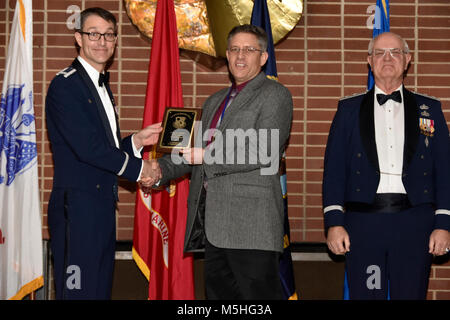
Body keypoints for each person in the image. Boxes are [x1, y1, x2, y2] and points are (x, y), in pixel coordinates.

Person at [152, 24, 293, 299]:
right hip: (214, 228)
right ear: (227, 56)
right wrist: (158, 170)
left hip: (253, 229)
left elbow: (264, 149)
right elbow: (191, 151)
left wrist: (206, 155)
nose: (240, 56)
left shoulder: (275, 95)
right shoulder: (215, 100)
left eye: (249, 50)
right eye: (234, 49)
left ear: (263, 58)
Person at [323, 32, 450, 299]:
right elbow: (334, 170)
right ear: (369, 61)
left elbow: (444, 172)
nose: (387, 58)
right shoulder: (348, 110)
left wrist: (444, 223)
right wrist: (334, 222)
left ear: (407, 60)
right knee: (368, 295)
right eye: (380, 53)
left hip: (415, 223)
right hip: (363, 223)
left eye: (395, 52)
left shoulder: (431, 109)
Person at [45, 7, 161, 299]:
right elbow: (87, 149)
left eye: (109, 35)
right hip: (77, 210)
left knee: (97, 293)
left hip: (100, 209)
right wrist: (141, 170)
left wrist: (135, 140)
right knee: (78, 293)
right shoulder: (66, 85)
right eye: (94, 34)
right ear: (78, 38)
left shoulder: (101, 85)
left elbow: (101, 150)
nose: (102, 41)